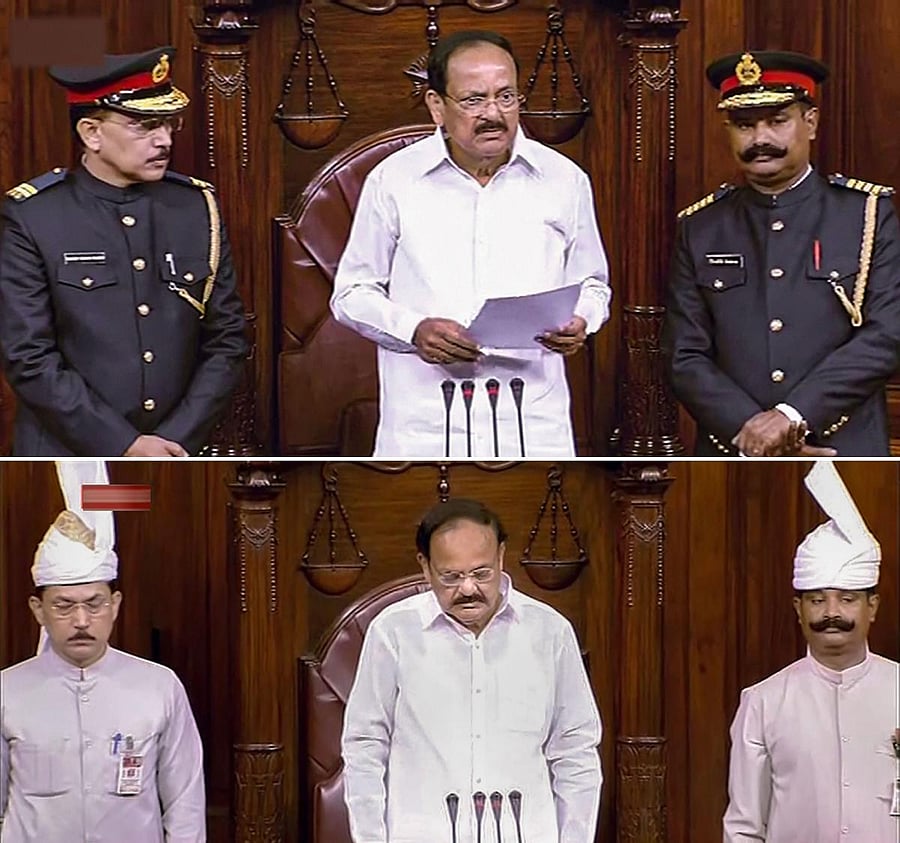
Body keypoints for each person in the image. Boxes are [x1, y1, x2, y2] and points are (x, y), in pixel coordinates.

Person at [331, 30, 611, 457]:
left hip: (533, 423)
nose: (493, 114)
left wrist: (582, 320)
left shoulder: (565, 180)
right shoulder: (393, 180)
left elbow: (593, 284)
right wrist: (414, 329)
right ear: (436, 106)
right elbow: (351, 294)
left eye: (506, 97)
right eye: (473, 100)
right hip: (424, 425)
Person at [0, 46, 247, 456]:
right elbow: (28, 356)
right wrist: (125, 444)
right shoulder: (34, 215)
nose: (164, 139)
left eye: (167, 124)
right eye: (143, 126)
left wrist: (173, 439)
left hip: (178, 452)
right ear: (91, 133)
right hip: (67, 454)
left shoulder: (195, 207)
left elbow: (228, 339)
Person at [663, 50, 900, 456]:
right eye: (744, 125)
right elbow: (683, 355)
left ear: (810, 123)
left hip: (845, 445)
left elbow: (888, 334)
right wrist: (749, 428)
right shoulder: (701, 226)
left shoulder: (866, 213)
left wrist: (791, 416)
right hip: (734, 449)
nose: (760, 139)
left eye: (776, 121)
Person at [341, 498, 602, 843]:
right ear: (425, 566)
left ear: (501, 557)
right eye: (451, 576)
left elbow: (576, 752)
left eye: (481, 573)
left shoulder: (550, 631)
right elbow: (364, 749)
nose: (468, 589)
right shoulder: (392, 632)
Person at [0, 461, 206, 841]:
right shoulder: (6, 692)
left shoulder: (159, 687)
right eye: (64, 605)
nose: (81, 620)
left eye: (94, 604)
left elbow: (185, 806)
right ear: (38, 610)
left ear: (115, 604)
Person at [724, 461, 899, 842]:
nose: (831, 613)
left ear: (872, 606)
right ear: (798, 609)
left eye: (847, 599)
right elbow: (743, 828)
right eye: (817, 600)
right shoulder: (763, 702)